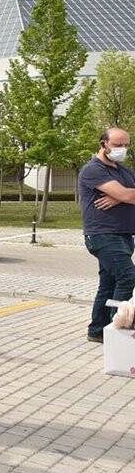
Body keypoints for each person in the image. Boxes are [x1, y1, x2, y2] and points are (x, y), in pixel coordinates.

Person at [78, 127, 135, 342]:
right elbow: (127, 194)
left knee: (109, 284)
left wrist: (119, 197)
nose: (123, 149)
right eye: (118, 145)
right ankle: (116, 329)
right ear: (104, 144)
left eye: (126, 145)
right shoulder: (93, 170)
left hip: (123, 235)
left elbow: (127, 195)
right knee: (128, 276)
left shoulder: (123, 171)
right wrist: (123, 195)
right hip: (103, 235)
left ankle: (97, 330)